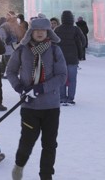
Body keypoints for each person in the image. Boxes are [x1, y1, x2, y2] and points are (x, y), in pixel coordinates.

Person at [5, 16, 67, 180]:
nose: (40, 33)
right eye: (36, 30)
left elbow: (62, 76)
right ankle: (19, 165)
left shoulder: (55, 50)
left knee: (49, 144)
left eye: (43, 30)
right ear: (31, 32)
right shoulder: (22, 49)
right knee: (27, 141)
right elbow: (10, 71)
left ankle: (46, 176)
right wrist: (19, 88)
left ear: (48, 32)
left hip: (51, 107)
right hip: (30, 107)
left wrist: (41, 88)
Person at [54, 10, 87, 104]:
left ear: (62, 18)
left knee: (62, 78)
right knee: (72, 79)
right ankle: (70, 98)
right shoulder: (76, 29)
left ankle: (62, 97)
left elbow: (52, 41)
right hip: (73, 58)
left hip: (60, 58)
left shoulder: (57, 29)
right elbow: (83, 41)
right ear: (72, 18)